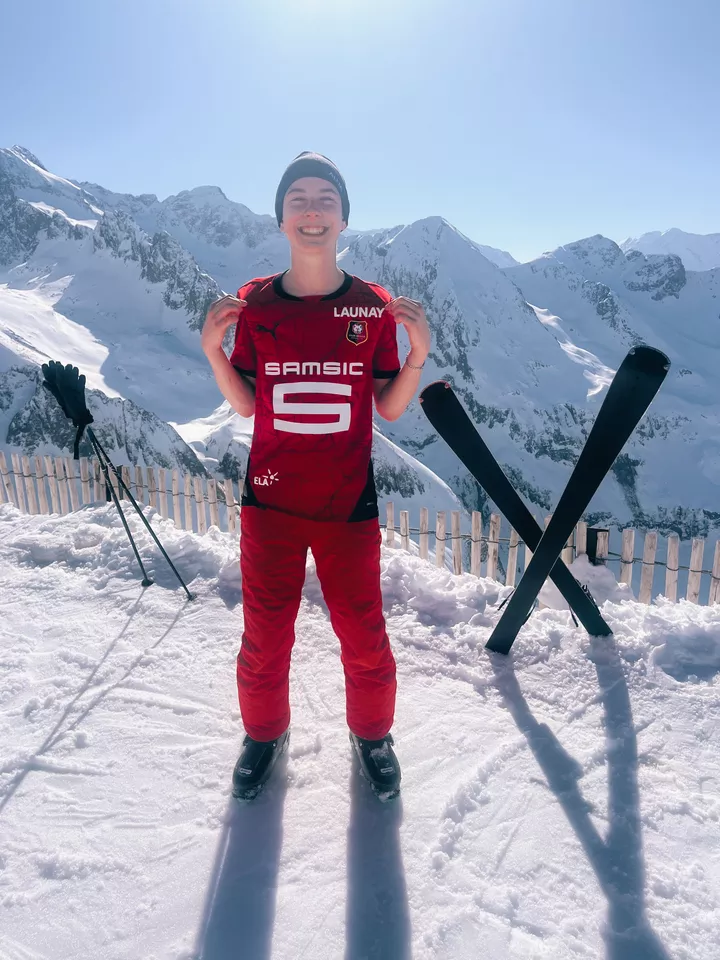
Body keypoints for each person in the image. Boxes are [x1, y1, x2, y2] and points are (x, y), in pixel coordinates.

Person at [201, 152, 431, 801]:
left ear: (343, 217)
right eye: (298, 198)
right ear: (280, 218)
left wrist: (417, 358)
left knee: (363, 633)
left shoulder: (371, 307)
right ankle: (264, 735)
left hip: (347, 506)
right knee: (264, 635)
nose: (311, 209)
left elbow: (386, 406)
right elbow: (247, 402)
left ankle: (373, 735)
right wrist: (211, 354)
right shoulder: (254, 304)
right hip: (268, 502)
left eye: (325, 198)